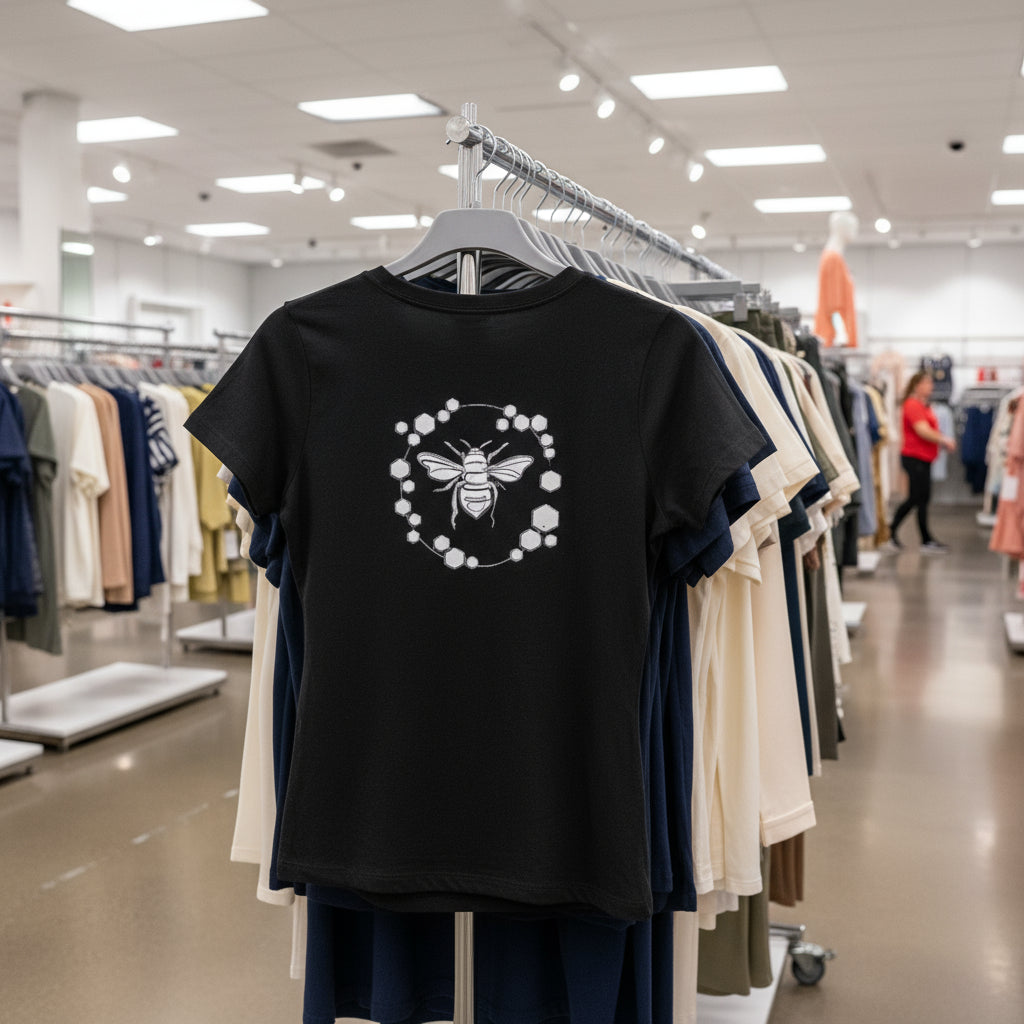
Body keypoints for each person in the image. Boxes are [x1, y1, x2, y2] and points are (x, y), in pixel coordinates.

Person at [887, 371, 956, 552]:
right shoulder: (913, 405)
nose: (931, 387)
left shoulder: (924, 406)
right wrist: (944, 440)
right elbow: (922, 430)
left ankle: (920, 538)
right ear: (918, 385)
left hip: (923, 458)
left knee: (921, 498)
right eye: (927, 383)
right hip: (914, 458)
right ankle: (897, 533)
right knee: (917, 498)